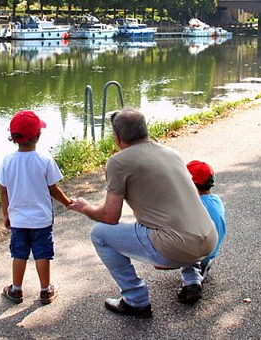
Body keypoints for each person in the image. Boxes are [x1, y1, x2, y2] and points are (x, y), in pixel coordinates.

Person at [69, 108, 217, 317]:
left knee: (99, 234)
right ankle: (192, 280)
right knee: (178, 218)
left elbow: (110, 217)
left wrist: (85, 208)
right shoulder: (171, 153)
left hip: (175, 248)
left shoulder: (119, 162)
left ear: (117, 138)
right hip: (209, 239)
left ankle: (135, 299)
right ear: (145, 130)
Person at [0, 110, 71, 305]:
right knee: (42, 254)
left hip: (18, 220)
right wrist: (67, 202)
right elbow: (53, 188)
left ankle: (16, 290)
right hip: (41, 220)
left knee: (18, 254)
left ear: (13, 137)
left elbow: (3, 191)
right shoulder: (45, 160)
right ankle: (45, 290)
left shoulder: (7, 161)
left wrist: (6, 214)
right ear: (38, 136)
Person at [177, 160, 227, 304]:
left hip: (198, 252)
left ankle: (192, 282)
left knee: (184, 249)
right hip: (213, 249)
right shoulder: (216, 200)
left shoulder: (194, 205)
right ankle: (202, 268)